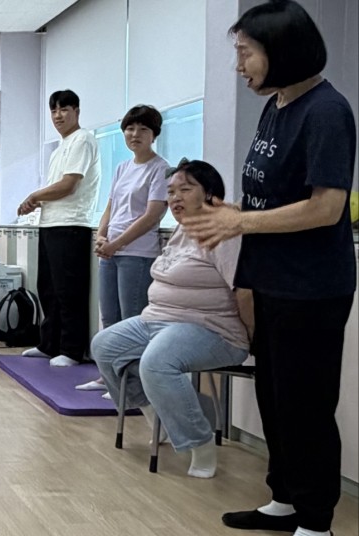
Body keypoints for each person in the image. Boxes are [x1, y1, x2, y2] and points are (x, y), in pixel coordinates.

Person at [182, 0, 356, 536]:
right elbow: (274, 197)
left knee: (306, 405)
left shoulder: (327, 112)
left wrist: (242, 223)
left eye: (246, 53)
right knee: (274, 398)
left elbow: (327, 208)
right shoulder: (276, 106)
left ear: (282, 52)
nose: (239, 65)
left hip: (312, 287)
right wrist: (234, 213)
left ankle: (316, 528)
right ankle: (285, 499)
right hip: (271, 278)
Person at [91, 160, 253, 479]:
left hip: (210, 328)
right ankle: (158, 416)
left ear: (210, 195)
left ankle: (200, 443)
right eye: (171, 192)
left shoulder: (224, 235)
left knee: (156, 362)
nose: (175, 197)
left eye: (185, 189)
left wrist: (252, 334)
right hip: (156, 320)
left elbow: (244, 292)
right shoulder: (181, 230)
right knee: (104, 346)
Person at [78, 105, 169, 393]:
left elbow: (152, 215)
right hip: (111, 251)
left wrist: (117, 243)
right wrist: (101, 236)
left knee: (132, 321)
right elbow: (111, 206)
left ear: (154, 134)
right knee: (109, 318)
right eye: (130, 128)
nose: (135, 134)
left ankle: (133, 386)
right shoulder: (122, 167)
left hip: (137, 254)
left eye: (143, 129)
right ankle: (109, 377)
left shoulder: (161, 169)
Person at [18, 89, 101, 367]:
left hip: (72, 225)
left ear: (77, 111)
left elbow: (69, 185)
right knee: (48, 288)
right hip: (51, 223)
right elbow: (57, 189)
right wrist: (38, 202)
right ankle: (49, 344)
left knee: (68, 291)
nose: (58, 115)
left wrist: (34, 196)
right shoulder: (59, 147)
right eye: (54, 110)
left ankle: (72, 350)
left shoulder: (83, 139)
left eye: (64, 109)